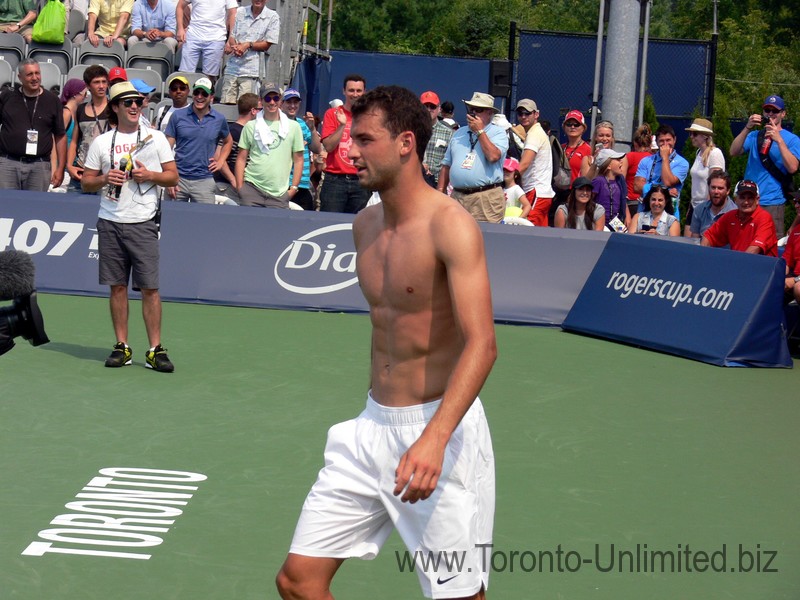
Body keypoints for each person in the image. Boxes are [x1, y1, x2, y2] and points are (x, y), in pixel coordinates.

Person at [276, 84, 496, 600]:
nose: (348, 150)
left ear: (405, 144)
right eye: (351, 139)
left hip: (441, 432)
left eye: (364, 140)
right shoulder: (364, 225)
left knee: (460, 596)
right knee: (298, 581)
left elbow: (482, 344)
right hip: (370, 428)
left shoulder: (452, 226)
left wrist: (436, 437)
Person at [81, 81, 179, 372]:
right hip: (110, 221)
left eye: (137, 101)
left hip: (143, 222)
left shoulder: (155, 138)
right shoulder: (101, 142)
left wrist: (149, 174)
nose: (135, 106)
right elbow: (86, 182)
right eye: (127, 102)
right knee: (117, 287)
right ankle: (122, 347)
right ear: (115, 108)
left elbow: (173, 177)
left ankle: (154, 350)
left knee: (150, 288)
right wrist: (105, 179)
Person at [729, 95, 800, 238]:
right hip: (749, 200)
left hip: (773, 202)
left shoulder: (792, 139)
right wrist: (747, 127)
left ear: (783, 114)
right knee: (743, 243)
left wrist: (779, 140)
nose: (771, 114)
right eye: (767, 110)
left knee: (769, 247)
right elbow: (733, 151)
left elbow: (793, 168)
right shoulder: (755, 135)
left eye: (775, 111)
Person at [438, 91, 507, 223]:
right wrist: (440, 193)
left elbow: (493, 156)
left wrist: (479, 131)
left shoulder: (498, 133)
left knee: (486, 240)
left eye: (479, 110)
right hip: (457, 197)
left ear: (490, 113)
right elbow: (446, 165)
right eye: (471, 109)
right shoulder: (459, 133)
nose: (473, 113)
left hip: (485, 199)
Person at [0, 59, 66, 191]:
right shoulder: (7, 96)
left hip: (39, 166)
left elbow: (60, 136)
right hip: (8, 164)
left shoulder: (52, 100)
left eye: (37, 73)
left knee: (35, 209)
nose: (35, 78)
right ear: (20, 77)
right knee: (6, 208)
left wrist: (60, 168)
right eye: (30, 74)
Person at [234, 85, 304, 208]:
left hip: (279, 194)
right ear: (261, 101)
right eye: (268, 99)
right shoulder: (250, 126)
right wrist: (240, 187)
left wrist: (293, 188)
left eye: (275, 98)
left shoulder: (294, 127)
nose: (272, 102)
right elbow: (241, 158)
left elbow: (298, 160)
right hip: (251, 189)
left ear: (280, 101)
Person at [164, 77, 232, 203]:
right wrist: (169, 178)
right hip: (178, 178)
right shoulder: (177, 116)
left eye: (204, 93)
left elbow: (228, 141)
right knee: (171, 220)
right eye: (196, 93)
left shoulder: (219, 119)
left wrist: (221, 161)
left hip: (204, 180)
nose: (199, 96)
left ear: (211, 96)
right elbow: (166, 149)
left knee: (204, 222)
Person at [319, 73, 369, 213]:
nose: (355, 94)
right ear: (343, 91)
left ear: (364, 92)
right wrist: (342, 126)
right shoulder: (332, 114)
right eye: (351, 90)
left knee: (357, 227)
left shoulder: (369, 116)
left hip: (361, 179)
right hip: (335, 180)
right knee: (328, 226)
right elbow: (328, 147)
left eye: (359, 90)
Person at [219, 0, 279, 104]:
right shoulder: (240, 11)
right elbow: (232, 36)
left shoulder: (272, 16)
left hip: (252, 72)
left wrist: (247, 45)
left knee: (247, 107)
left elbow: (267, 44)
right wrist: (236, 47)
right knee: (226, 103)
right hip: (232, 68)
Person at [701, 180, 778, 256]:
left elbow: (755, 249)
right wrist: (702, 255)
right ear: (735, 200)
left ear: (757, 200)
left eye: (750, 198)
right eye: (742, 198)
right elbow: (709, 236)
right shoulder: (730, 216)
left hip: (762, 266)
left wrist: (737, 263)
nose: (746, 202)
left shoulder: (764, 218)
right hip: (739, 263)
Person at [67, 65, 111, 192]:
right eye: (96, 82)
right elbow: (75, 141)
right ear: (88, 86)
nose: (101, 86)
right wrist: (69, 166)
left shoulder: (114, 108)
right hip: (81, 171)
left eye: (104, 82)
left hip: (104, 174)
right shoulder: (80, 109)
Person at [633, 124, 689, 221]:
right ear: (657, 142)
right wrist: (665, 191)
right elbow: (637, 186)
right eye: (661, 141)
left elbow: (668, 181)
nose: (665, 144)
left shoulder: (682, 163)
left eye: (668, 140)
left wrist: (665, 158)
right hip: (644, 211)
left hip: (669, 214)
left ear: (674, 140)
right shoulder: (646, 161)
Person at [213, 91, 260, 204]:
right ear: (253, 111)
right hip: (228, 188)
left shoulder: (244, 130)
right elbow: (218, 157)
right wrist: (234, 180)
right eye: (260, 110)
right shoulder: (234, 131)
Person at [176, 0, 238, 84]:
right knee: (185, 74)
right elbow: (180, 6)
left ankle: (203, 96)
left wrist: (230, 39)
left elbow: (233, 13)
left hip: (216, 38)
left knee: (209, 78)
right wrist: (180, 29)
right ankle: (188, 96)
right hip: (193, 36)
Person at [280, 87, 322, 210]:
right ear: (281, 104)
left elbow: (317, 149)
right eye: (289, 102)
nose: (293, 106)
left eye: (296, 102)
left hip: (302, 184)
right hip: (282, 184)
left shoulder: (302, 124)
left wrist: (312, 129)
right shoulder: (277, 124)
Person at [684, 118, 725, 236]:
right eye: (690, 133)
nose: (691, 136)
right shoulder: (698, 153)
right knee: (687, 243)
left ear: (705, 136)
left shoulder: (715, 153)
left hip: (706, 207)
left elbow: (716, 184)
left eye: (695, 134)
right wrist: (690, 207)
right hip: (694, 206)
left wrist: (706, 209)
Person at [517, 101, 553, 226]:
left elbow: (524, 164)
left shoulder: (534, 134)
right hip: (541, 193)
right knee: (539, 238)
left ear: (536, 114)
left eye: (527, 113)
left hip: (536, 192)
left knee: (525, 232)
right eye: (520, 113)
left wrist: (507, 181)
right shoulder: (536, 133)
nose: (523, 116)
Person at [689, 170, 737, 238]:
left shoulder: (736, 213)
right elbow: (695, 239)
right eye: (713, 187)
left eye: (720, 188)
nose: (716, 191)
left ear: (728, 191)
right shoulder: (699, 210)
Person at [420, 90, 453, 188]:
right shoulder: (411, 129)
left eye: (432, 106)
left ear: (439, 109)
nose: (429, 109)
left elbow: (450, 162)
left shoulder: (448, 133)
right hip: (414, 183)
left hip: (437, 185)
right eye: (425, 106)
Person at [592, 148, 629, 231]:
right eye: (618, 160)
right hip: (601, 222)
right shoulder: (598, 181)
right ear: (608, 165)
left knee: (624, 237)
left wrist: (626, 216)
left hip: (616, 222)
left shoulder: (619, 181)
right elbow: (589, 201)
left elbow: (623, 201)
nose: (621, 162)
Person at [625, 123, 652, 205]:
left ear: (635, 143)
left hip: (631, 201)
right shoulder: (653, 158)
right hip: (648, 200)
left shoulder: (630, 156)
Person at [562, 110, 591, 182]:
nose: (572, 127)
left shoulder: (588, 150)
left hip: (577, 191)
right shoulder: (560, 148)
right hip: (559, 190)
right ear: (564, 128)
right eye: (569, 124)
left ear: (583, 128)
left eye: (576, 124)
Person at [60, 78, 87, 156]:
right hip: (63, 161)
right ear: (75, 94)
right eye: (84, 94)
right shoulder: (65, 113)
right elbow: (56, 139)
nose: (86, 97)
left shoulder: (76, 112)